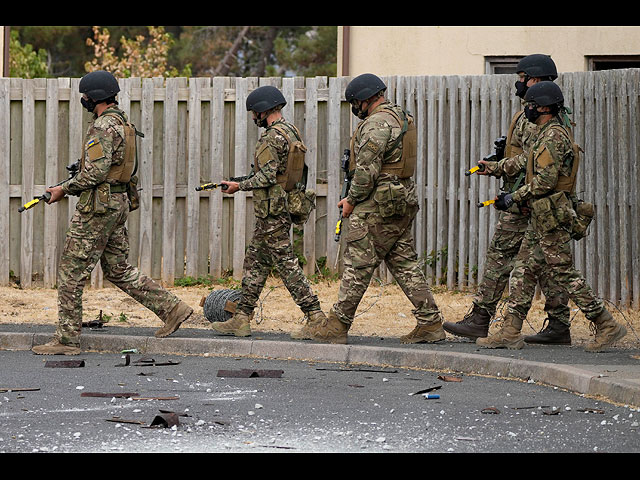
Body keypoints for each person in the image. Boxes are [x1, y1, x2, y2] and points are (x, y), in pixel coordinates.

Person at [32, 70, 196, 355]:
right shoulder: (124, 124)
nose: (83, 100)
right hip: (116, 204)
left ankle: (66, 340)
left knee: (71, 272)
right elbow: (116, 168)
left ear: (94, 97)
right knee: (118, 269)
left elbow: (95, 174)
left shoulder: (102, 126)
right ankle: (173, 308)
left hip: (98, 208)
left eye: (84, 96)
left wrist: (63, 189)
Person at [476, 81, 626, 352]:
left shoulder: (554, 136)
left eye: (531, 106)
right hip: (541, 215)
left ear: (544, 107)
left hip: (552, 217)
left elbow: (545, 181)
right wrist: (495, 168)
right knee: (522, 271)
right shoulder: (543, 134)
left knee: (564, 272)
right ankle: (510, 331)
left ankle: (606, 324)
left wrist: (514, 197)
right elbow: (524, 162)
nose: (528, 110)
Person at [303, 73, 445, 345]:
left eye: (356, 102)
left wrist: (351, 200)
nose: (355, 107)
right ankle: (431, 323)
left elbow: (367, 172)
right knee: (403, 262)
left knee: (358, 262)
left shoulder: (376, 123)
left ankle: (337, 325)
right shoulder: (402, 117)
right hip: (400, 200)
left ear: (367, 99)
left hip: (378, 204)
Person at [443, 54, 573, 345]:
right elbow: (520, 156)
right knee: (537, 262)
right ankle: (554, 324)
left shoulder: (548, 120)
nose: (519, 82)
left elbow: (534, 163)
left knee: (515, 258)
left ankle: (486, 320)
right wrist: (498, 161)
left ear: (536, 79)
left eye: (523, 76)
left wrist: (507, 176)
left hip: (528, 199)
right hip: (520, 195)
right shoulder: (529, 113)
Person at [211, 85, 326, 337]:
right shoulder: (290, 132)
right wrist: (243, 179)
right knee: (255, 263)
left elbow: (267, 175)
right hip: (278, 208)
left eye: (254, 113)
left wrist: (239, 186)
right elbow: (282, 172)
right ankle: (241, 318)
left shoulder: (271, 137)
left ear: (263, 111)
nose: (254, 118)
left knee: (285, 265)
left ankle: (315, 316)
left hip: (273, 212)